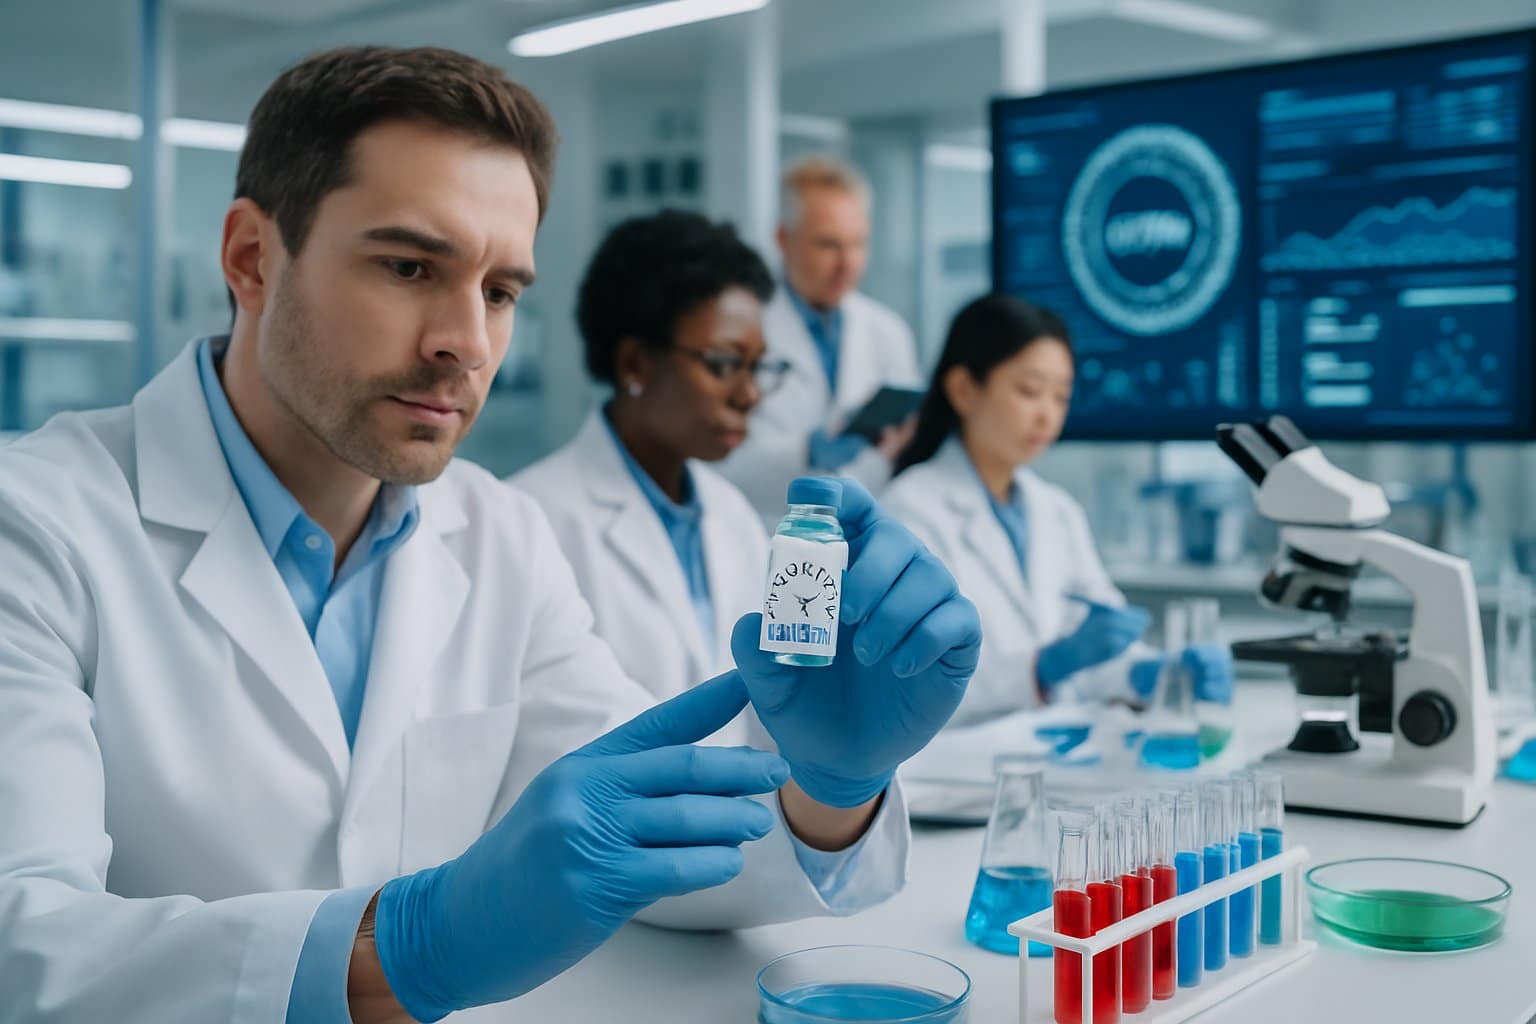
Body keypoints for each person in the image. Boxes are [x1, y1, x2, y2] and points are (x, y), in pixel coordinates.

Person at [0, 47, 982, 1024]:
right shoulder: (34, 525)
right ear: (252, 257)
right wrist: (409, 947)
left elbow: (645, 843)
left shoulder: (500, 534)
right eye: (408, 266)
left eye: (501, 291)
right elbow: (23, 948)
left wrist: (830, 789)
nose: (467, 343)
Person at [882, 293, 1229, 728]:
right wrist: (1042, 667)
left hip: (1051, 748)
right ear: (964, 390)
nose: (1047, 415)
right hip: (955, 758)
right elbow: (906, 676)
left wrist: (1152, 674)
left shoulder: (1057, 511)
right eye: (1030, 391)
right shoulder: (909, 511)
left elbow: (1098, 649)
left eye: (1061, 397)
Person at [512, 211, 786, 703]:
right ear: (635, 363)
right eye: (724, 364)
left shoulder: (733, 516)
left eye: (757, 366)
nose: (749, 395)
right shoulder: (534, 519)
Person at [721, 156, 923, 526]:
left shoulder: (888, 332)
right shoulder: (740, 328)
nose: (848, 264)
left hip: (862, 531)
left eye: (858, 244)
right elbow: (719, 460)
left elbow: (901, 451)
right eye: (829, 245)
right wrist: (806, 453)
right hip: (766, 531)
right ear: (783, 239)